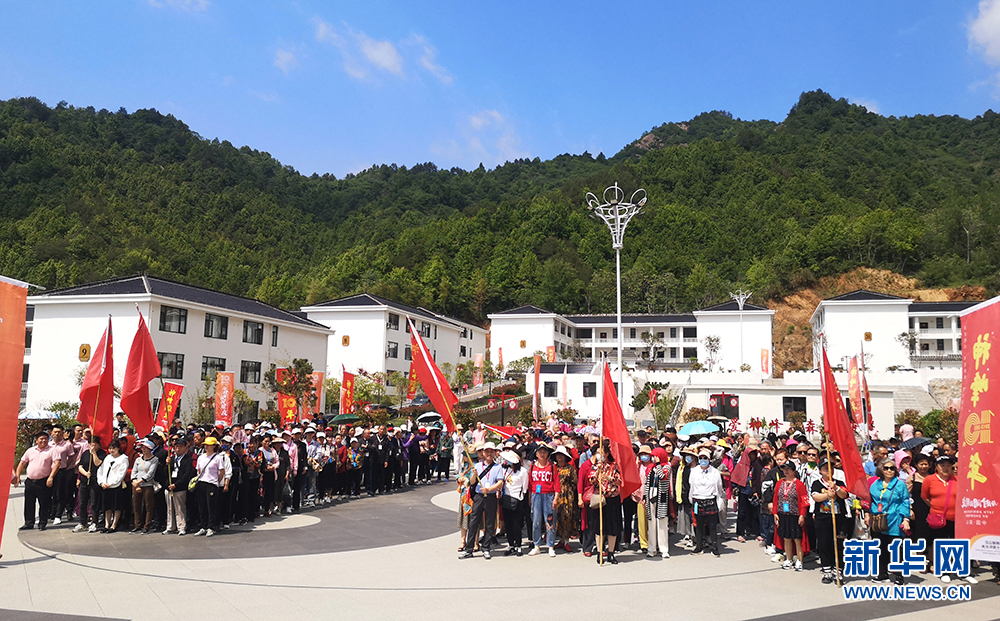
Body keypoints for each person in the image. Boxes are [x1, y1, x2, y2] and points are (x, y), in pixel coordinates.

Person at [921, 455, 975, 584]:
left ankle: (963, 571)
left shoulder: (958, 480)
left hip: (957, 518)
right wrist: (936, 508)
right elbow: (925, 497)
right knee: (942, 544)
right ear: (936, 467)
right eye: (942, 465)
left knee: (960, 544)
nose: (945, 468)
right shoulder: (929, 480)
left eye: (948, 465)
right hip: (939, 519)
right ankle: (945, 571)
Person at [460, 442, 504, 560]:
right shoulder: (477, 466)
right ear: (483, 453)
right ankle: (469, 549)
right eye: (487, 451)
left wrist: (489, 489)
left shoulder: (498, 467)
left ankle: (486, 547)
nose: (489, 454)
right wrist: (474, 475)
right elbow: (472, 482)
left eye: (491, 451)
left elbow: (500, 482)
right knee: (473, 522)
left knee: (490, 523)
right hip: (479, 497)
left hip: (491, 496)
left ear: (495, 453)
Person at [869, 458, 910, 585]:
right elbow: (869, 500)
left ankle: (898, 575)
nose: (889, 470)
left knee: (896, 548)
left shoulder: (900, 485)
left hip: (894, 519)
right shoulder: (875, 484)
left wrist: (906, 519)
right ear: (881, 469)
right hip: (878, 519)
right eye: (886, 468)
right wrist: (867, 513)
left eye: (892, 468)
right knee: (880, 547)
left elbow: (905, 501)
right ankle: (882, 573)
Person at [13, 432, 60, 531]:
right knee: (29, 503)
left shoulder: (52, 450)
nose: (44, 441)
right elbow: (22, 463)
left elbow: (57, 463)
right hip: (30, 481)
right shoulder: (30, 450)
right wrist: (17, 476)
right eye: (41, 439)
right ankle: (28, 523)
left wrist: (51, 477)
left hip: (43, 481)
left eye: (46, 439)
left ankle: (42, 523)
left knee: (44, 503)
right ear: (36, 440)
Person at [811, 457, 848, 584]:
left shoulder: (839, 482)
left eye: (831, 467)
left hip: (839, 518)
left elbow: (844, 495)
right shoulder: (817, 483)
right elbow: (816, 497)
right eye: (825, 468)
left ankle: (838, 571)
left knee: (838, 545)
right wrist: (827, 494)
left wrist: (836, 489)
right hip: (823, 518)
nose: (829, 470)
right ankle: (826, 570)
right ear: (820, 470)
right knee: (824, 544)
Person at [591, 439, 623, 564]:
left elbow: (619, 481)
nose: (600, 455)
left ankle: (611, 552)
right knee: (599, 527)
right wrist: (598, 471)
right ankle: (600, 552)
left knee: (612, 527)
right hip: (600, 499)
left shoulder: (614, 465)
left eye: (602, 452)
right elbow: (591, 480)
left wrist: (609, 478)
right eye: (598, 453)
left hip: (612, 498)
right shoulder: (596, 466)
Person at [689, 446, 724, 558]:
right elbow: (691, 486)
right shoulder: (694, 471)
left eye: (705, 458)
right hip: (697, 500)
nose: (703, 460)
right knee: (698, 526)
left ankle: (714, 547)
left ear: (709, 459)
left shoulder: (715, 472)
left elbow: (719, 487)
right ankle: (699, 546)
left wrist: (719, 500)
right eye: (701, 458)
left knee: (712, 526)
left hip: (710, 499)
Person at [774, 460, 809, 571]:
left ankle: (799, 560)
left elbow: (804, 501)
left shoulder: (799, 484)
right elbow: (776, 498)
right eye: (784, 469)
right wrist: (775, 512)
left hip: (795, 514)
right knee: (786, 538)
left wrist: (802, 515)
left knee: (797, 539)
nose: (786, 472)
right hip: (783, 514)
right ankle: (788, 559)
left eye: (788, 469)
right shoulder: (780, 483)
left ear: (794, 471)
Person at [527, 443, 558, 557]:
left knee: (550, 521)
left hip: (549, 495)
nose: (542, 454)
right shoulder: (532, 466)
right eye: (540, 452)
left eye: (544, 452)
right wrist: (530, 497)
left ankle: (550, 545)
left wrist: (556, 498)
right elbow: (530, 483)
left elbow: (557, 483)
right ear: (536, 453)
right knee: (536, 521)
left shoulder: (552, 466)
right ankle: (536, 545)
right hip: (536, 495)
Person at [642, 444, 672, 559]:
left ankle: (664, 549)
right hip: (651, 497)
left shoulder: (666, 467)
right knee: (651, 523)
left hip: (661, 497)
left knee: (662, 524)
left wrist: (659, 464)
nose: (654, 458)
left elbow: (662, 477)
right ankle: (652, 548)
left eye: (655, 456)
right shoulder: (650, 467)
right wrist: (645, 497)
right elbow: (647, 483)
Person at [500, 450, 529, 556]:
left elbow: (525, 488)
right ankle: (511, 544)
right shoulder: (505, 470)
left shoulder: (523, 471)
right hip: (506, 498)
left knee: (516, 524)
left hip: (517, 500)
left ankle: (519, 545)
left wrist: (520, 498)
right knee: (507, 524)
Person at [194, 436, 225, 537]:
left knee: (211, 506)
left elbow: (222, 471)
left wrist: (216, 481)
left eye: (209, 445)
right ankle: (203, 526)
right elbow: (198, 470)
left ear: (214, 446)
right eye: (205, 445)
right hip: (202, 482)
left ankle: (211, 527)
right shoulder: (201, 457)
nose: (206, 447)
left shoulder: (218, 458)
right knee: (201, 506)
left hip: (212, 484)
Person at [97, 439, 129, 533]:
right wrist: (101, 482)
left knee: (116, 506)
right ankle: (107, 524)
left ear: (118, 448)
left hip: (116, 486)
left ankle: (114, 524)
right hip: (105, 485)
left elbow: (121, 474)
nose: (111, 451)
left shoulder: (123, 458)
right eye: (110, 448)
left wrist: (110, 483)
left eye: (113, 448)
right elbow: (101, 470)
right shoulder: (108, 458)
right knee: (107, 506)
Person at [74, 436, 105, 533]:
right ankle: (83, 522)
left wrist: (94, 453)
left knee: (94, 502)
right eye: (90, 443)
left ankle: (94, 522)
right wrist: (85, 473)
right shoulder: (85, 453)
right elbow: (80, 466)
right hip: (85, 480)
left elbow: (98, 463)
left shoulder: (102, 453)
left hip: (95, 481)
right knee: (83, 502)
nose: (92, 445)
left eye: (94, 443)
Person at [165, 436, 195, 535]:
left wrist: (176, 484)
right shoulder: (171, 459)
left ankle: (181, 526)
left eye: (181, 447)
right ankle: (170, 526)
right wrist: (167, 464)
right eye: (176, 447)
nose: (178, 449)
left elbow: (187, 475)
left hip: (180, 487)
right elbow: (165, 473)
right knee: (170, 508)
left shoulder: (188, 460)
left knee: (180, 508)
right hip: (169, 485)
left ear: (185, 448)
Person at [130, 439, 159, 534]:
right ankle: (137, 524)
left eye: (145, 448)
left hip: (147, 485)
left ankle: (147, 525)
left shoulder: (155, 459)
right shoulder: (138, 459)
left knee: (148, 506)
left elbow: (150, 474)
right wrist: (134, 482)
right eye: (142, 448)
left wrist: (140, 481)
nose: (143, 450)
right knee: (136, 505)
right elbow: (134, 471)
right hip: (137, 484)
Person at [552, 445, 578, 553]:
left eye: (562, 455)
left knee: (567, 517)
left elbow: (575, 482)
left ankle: (566, 541)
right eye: (558, 455)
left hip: (567, 496)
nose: (559, 457)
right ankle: (561, 540)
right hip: (555, 495)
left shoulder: (570, 468)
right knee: (556, 518)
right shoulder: (553, 468)